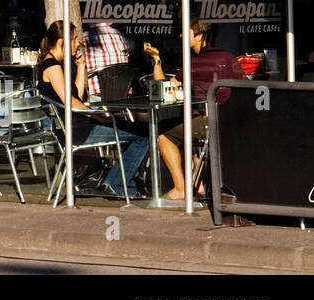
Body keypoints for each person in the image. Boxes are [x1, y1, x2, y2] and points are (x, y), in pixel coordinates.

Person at [37, 20, 150, 197]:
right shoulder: (52, 67)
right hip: (76, 129)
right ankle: (115, 183)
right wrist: (97, 115)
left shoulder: (56, 65)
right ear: (61, 42)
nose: (77, 44)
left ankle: (117, 181)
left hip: (77, 125)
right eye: (74, 39)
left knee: (137, 131)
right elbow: (71, 102)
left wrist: (81, 66)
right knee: (144, 135)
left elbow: (77, 95)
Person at [154, 21, 245, 201]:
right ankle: (200, 186)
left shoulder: (194, 63)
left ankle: (180, 189)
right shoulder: (227, 56)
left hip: (211, 121)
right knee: (194, 127)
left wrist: (156, 60)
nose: (180, 36)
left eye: (185, 32)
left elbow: (164, 92)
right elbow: (246, 85)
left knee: (165, 134)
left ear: (199, 36)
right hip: (232, 119)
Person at [82, 22, 129, 95]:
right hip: (122, 93)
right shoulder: (119, 35)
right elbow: (126, 62)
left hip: (96, 96)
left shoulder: (83, 37)